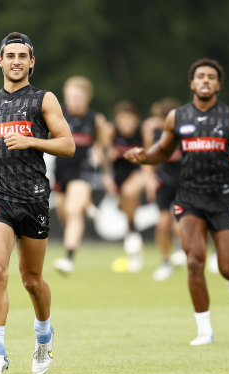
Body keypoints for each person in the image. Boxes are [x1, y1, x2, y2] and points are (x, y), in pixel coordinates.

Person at [0, 32, 74, 374]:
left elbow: (68, 145)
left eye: (22, 56)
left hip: (34, 197)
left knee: (31, 280)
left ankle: (44, 336)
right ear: (0, 61)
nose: (15, 61)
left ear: (31, 62)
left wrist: (30, 140)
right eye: (9, 55)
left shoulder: (44, 99)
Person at [125, 58, 229, 346]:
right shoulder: (177, 117)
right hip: (189, 196)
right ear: (192, 83)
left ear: (218, 85)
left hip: (222, 195)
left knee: (228, 268)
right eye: (201, 77)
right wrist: (143, 156)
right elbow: (162, 150)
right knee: (194, 260)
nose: (206, 81)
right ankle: (204, 330)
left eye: (211, 77)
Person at [52, 75, 111, 275]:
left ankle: (68, 259)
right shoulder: (57, 115)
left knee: (72, 210)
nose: (74, 101)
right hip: (61, 171)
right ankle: (86, 205)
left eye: (78, 97)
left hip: (82, 171)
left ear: (87, 98)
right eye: (70, 96)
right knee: (64, 213)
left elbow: (104, 145)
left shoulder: (96, 119)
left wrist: (99, 153)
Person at [140, 98, 186, 281]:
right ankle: (165, 262)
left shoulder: (185, 132)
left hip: (184, 180)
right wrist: (150, 179)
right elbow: (147, 157)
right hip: (164, 181)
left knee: (180, 221)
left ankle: (181, 250)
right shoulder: (155, 133)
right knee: (162, 223)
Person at [103, 101, 147, 273]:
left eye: (130, 120)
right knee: (127, 208)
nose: (127, 124)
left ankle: (132, 234)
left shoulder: (142, 132)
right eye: (123, 120)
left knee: (130, 191)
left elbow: (150, 154)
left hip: (137, 173)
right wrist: (106, 176)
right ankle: (133, 236)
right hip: (118, 177)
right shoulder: (112, 131)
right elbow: (104, 156)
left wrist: (148, 177)